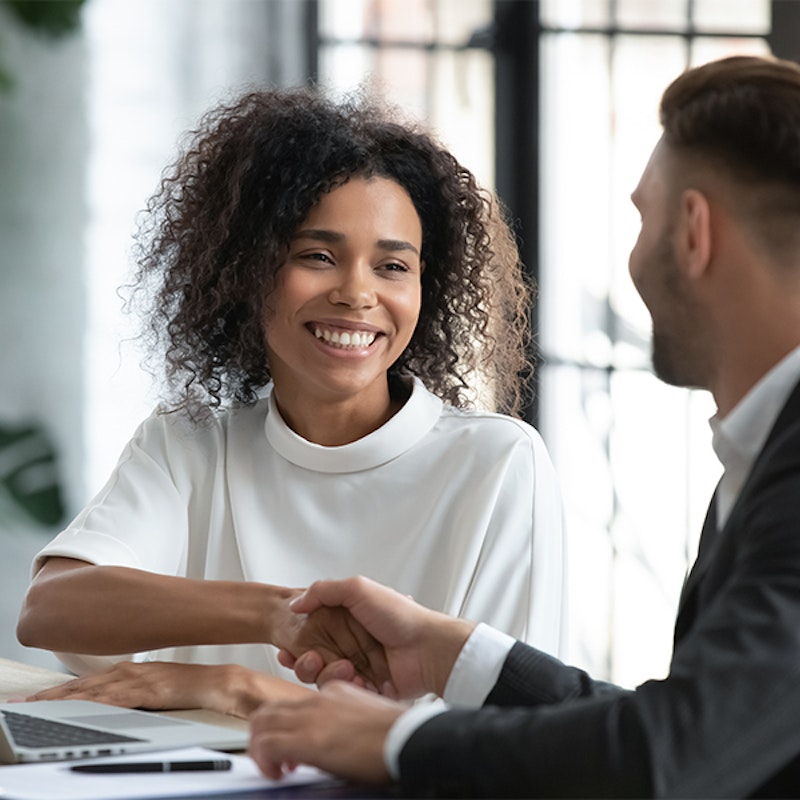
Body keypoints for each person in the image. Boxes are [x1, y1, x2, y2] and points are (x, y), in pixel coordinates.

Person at [248, 54, 800, 797]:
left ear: (694, 232)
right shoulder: (765, 453)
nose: (632, 258)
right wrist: (457, 655)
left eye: (643, 217)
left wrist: (399, 738)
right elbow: (696, 727)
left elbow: (668, 757)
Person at [15, 86, 566, 719]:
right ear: (246, 272)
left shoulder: (497, 463)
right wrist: (274, 613)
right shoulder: (191, 445)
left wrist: (235, 687)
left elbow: (506, 738)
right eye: (318, 256)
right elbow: (51, 608)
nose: (357, 293)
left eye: (392, 267)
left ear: (425, 286)